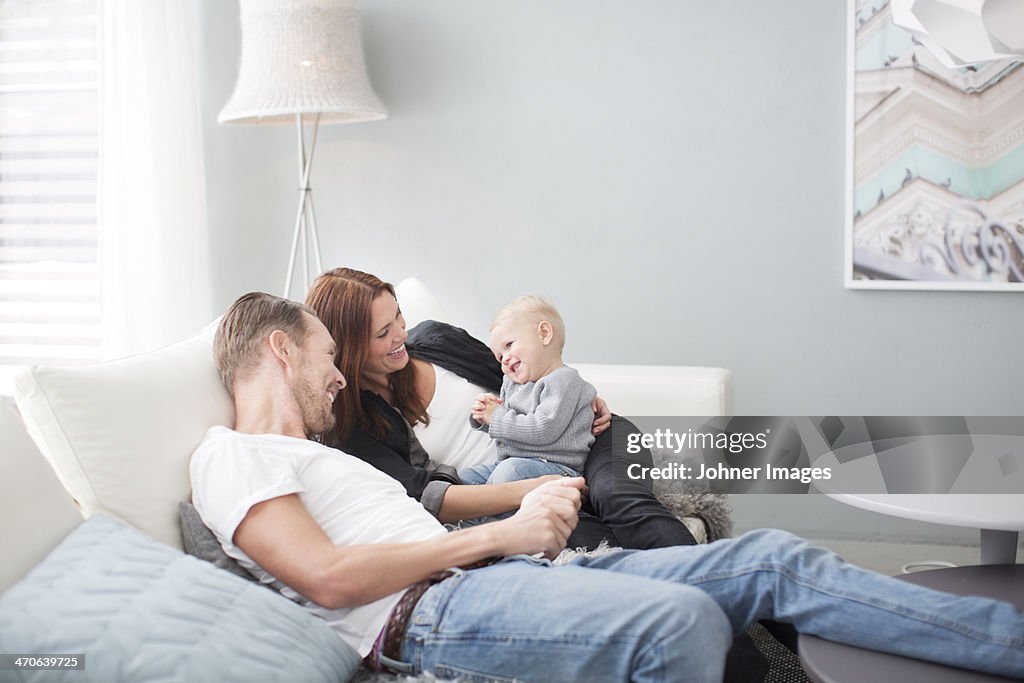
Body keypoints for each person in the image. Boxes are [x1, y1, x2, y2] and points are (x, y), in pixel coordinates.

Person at [189, 292, 1024, 682]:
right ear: (280, 352)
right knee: (686, 623)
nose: (339, 378)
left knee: (771, 558)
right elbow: (328, 577)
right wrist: (505, 529)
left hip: (511, 578)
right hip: (443, 608)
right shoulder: (231, 454)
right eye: (331, 357)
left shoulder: (327, 454)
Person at [305, 267, 702, 550]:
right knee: (590, 541)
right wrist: (530, 491)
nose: (401, 335)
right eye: (382, 333)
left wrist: (582, 399)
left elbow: (532, 371)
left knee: (620, 499)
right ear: (349, 348)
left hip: (593, 439)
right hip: (515, 491)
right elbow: (423, 497)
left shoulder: (436, 340)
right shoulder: (353, 426)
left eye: (398, 317)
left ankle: (726, 583)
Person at [462, 295, 597, 487]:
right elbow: (510, 428)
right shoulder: (512, 383)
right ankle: (470, 516)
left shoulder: (563, 380)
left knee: (509, 472)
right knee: (465, 478)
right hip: (510, 464)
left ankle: (494, 517)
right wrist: (484, 416)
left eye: (509, 345)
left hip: (557, 469)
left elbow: (544, 430)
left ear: (544, 334)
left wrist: (497, 417)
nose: (505, 359)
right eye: (500, 357)